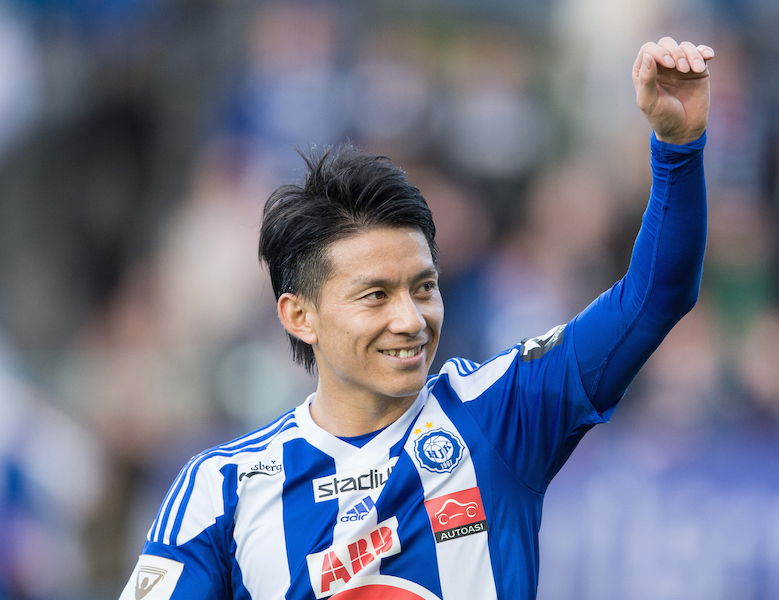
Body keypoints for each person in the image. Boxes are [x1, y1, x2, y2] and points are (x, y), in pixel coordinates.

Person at [119, 37, 714, 600]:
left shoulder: (500, 413)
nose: (411, 319)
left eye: (423, 288)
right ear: (299, 316)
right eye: (375, 296)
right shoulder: (222, 489)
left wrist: (678, 148)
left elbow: (656, 296)